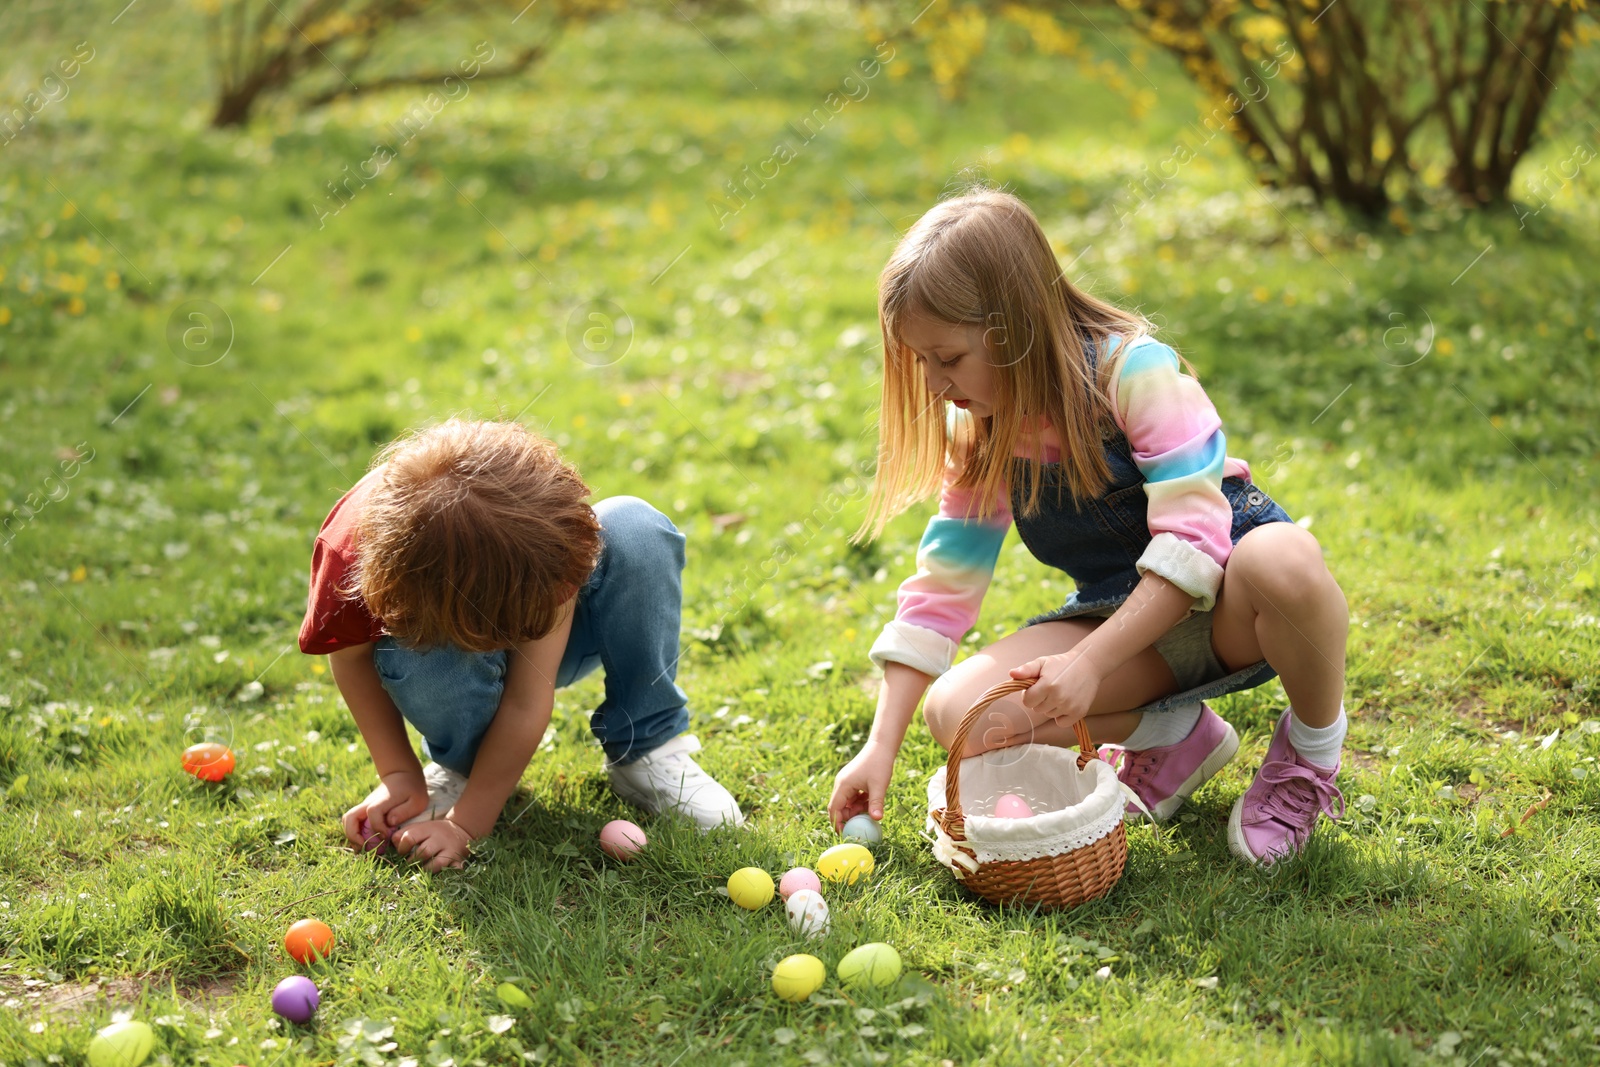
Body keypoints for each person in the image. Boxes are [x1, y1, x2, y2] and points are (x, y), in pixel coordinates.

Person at [827, 189, 1349, 865]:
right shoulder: (985, 433)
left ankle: (1309, 755)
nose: (933, 385)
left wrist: (1087, 664)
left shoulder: (1135, 373)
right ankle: (1173, 738)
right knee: (958, 712)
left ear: (1012, 329)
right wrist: (880, 745)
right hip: (1127, 627)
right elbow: (942, 590)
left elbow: (1193, 544)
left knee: (1286, 560)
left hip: (1232, 605)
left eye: (948, 359)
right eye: (921, 362)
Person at [299, 419, 743, 871]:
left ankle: (646, 748)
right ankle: (464, 765)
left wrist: (466, 825)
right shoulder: (348, 558)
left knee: (633, 525)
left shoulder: (544, 537)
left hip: (564, 641)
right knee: (407, 652)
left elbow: (527, 700)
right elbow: (351, 660)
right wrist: (398, 774)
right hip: (445, 655)